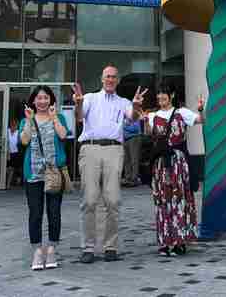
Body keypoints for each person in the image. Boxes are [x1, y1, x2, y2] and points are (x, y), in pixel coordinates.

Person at [72, 65, 147, 263]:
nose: (111, 79)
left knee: (113, 201)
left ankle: (110, 246)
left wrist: (138, 106)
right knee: (89, 200)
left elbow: (133, 117)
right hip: (90, 149)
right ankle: (88, 248)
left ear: (117, 80)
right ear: (101, 78)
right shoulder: (89, 98)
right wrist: (78, 104)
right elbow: (79, 117)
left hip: (114, 150)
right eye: (108, 76)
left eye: (114, 77)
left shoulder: (123, 102)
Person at [147, 87, 205, 257]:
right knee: (163, 200)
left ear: (171, 95)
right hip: (160, 163)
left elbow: (201, 120)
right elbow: (149, 134)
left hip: (178, 161)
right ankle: (165, 241)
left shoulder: (182, 113)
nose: (161, 96)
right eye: (159, 94)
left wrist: (201, 108)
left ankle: (180, 241)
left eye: (164, 93)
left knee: (179, 198)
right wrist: (142, 118)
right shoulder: (152, 116)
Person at [20, 86, 69, 271]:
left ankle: (51, 250)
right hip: (33, 174)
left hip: (54, 173)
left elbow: (64, 135)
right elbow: (24, 141)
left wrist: (54, 116)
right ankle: (37, 252)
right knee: (35, 214)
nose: (42, 101)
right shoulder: (28, 120)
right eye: (39, 98)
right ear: (33, 101)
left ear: (51, 100)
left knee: (54, 213)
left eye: (45, 98)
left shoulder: (60, 117)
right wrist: (28, 120)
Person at [122, 117, 142, 187]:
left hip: (134, 138)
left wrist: (123, 126)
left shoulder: (134, 115)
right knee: (126, 160)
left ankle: (134, 179)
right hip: (125, 139)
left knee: (134, 159)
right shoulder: (122, 117)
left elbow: (135, 129)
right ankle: (128, 178)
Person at [6, 119, 22, 188]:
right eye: (13, 125)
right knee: (7, 169)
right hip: (7, 152)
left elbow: (20, 142)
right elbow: (6, 142)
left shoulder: (18, 132)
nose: (14, 127)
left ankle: (8, 184)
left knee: (12, 169)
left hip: (15, 153)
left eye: (16, 126)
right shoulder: (7, 131)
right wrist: (8, 152)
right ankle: (6, 182)